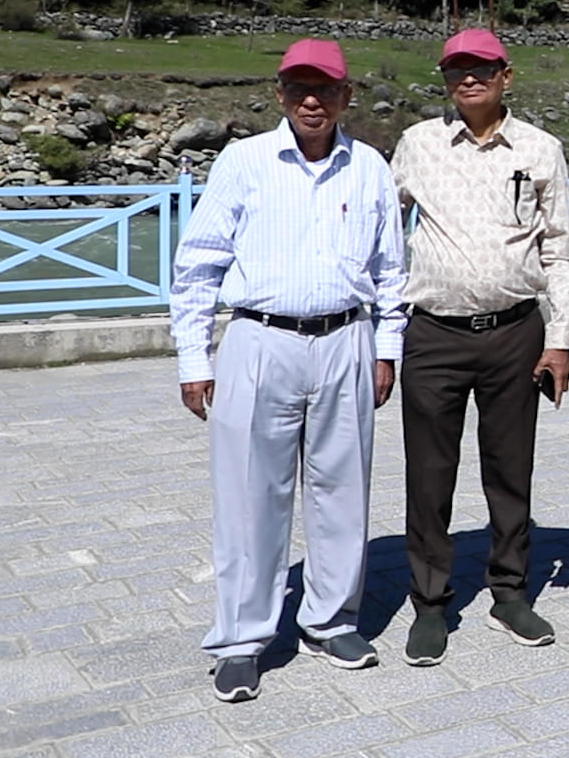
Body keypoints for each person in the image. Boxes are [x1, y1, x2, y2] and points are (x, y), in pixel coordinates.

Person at [170, 39, 407, 702]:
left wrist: (388, 348)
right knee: (250, 494)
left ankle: (330, 620)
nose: (313, 99)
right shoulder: (244, 162)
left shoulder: (369, 169)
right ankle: (242, 638)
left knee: (343, 489)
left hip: (344, 340)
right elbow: (198, 266)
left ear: (345, 96)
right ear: (279, 94)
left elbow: (391, 270)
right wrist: (195, 357)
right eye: (300, 87)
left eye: (326, 88)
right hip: (258, 340)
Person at [389, 29, 569, 665]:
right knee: (430, 475)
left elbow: (557, 250)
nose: (470, 79)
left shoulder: (541, 149)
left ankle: (510, 590)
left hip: (515, 332)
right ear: (445, 78)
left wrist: (560, 339)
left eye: (483, 69)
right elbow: (382, 229)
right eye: (457, 70)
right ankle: (430, 602)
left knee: (509, 471)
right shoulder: (418, 144)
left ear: (506, 75)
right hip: (434, 334)